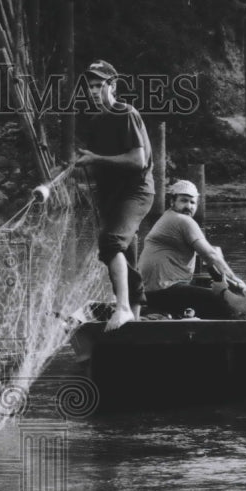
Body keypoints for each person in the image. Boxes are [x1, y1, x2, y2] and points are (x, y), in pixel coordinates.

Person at [75, 60, 154, 330]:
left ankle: (122, 308)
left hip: (136, 192)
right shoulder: (97, 122)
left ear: (113, 86)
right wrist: (80, 168)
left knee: (110, 243)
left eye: (99, 85)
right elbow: (100, 161)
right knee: (126, 256)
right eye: (90, 87)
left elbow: (138, 160)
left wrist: (96, 157)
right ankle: (136, 319)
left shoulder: (126, 113)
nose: (94, 91)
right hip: (112, 195)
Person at [139, 179, 244, 318]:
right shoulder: (182, 220)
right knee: (226, 303)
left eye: (192, 202)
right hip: (165, 291)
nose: (188, 206)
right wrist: (238, 282)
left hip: (151, 293)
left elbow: (213, 252)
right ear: (172, 201)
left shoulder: (169, 218)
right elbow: (211, 256)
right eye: (184, 200)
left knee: (212, 294)